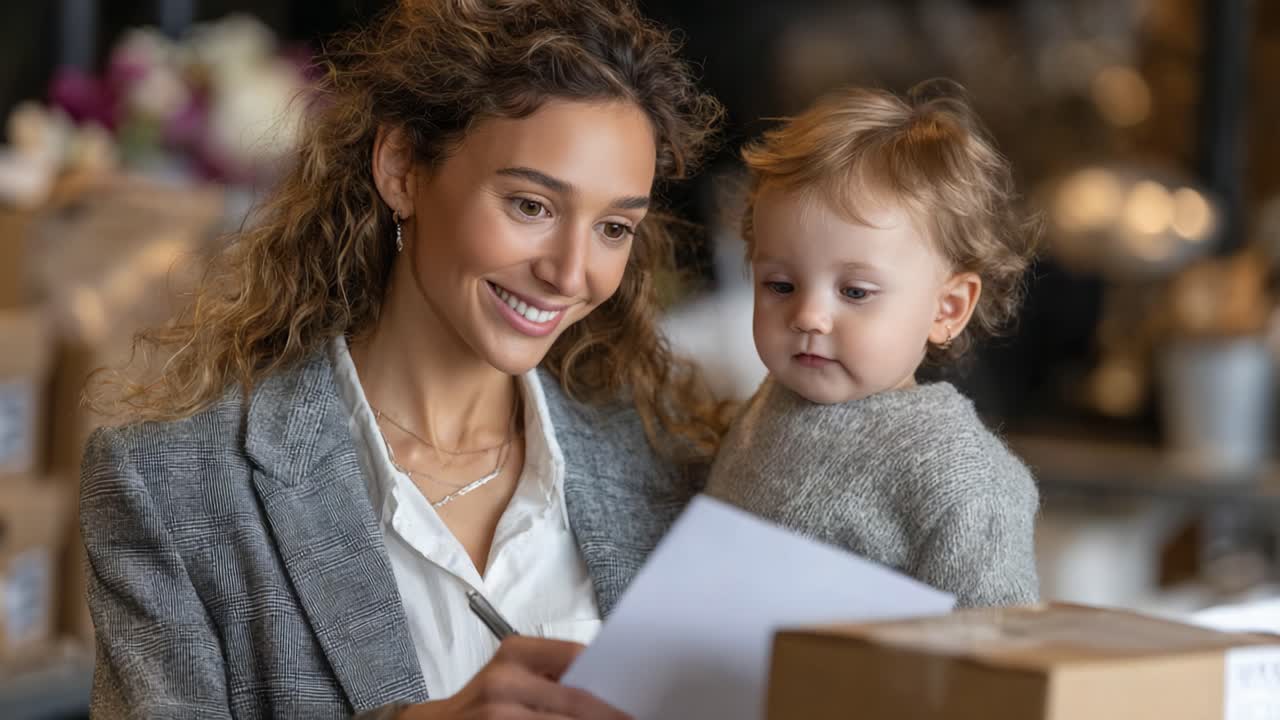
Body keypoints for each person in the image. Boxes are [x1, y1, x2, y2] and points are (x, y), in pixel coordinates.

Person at [79, 0, 728, 717]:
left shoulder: (668, 475)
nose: (572, 274)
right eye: (531, 206)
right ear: (402, 169)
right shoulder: (174, 486)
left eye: (613, 228)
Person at [705, 83, 1041, 608]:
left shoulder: (965, 480)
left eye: (855, 292)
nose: (808, 315)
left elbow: (996, 649)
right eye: (780, 285)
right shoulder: (774, 402)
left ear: (946, 309)